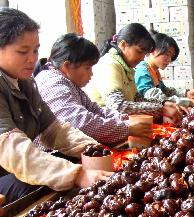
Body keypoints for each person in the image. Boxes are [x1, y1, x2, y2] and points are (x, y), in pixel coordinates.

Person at [0, 8, 112, 205]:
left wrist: (92, 149)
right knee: (38, 185)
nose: (32, 58)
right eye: (23, 51)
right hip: (5, 174)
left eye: (35, 50)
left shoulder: (25, 82)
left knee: (67, 165)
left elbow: (54, 129)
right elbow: (12, 150)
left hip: (12, 171)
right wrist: (76, 175)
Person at [34, 33, 152, 146]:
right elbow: (81, 124)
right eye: (87, 68)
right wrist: (128, 128)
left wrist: (127, 119)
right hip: (53, 156)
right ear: (67, 66)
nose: (91, 73)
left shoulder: (69, 83)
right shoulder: (53, 83)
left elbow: (96, 110)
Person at [84, 23, 182, 124]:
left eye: (144, 54)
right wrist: (162, 109)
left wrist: (164, 103)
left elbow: (137, 99)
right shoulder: (109, 64)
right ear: (123, 45)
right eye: (139, 52)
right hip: (104, 125)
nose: (142, 58)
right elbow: (118, 106)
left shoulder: (127, 68)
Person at [135, 31, 194, 108]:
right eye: (167, 54)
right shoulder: (142, 69)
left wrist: (186, 93)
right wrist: (189, 102)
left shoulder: (155, 71)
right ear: (153, 50)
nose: (169, 59)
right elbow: (153, 96)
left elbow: (165, 91)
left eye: (171, 56)